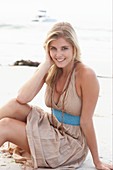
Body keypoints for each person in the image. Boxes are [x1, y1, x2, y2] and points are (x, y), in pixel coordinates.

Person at [0, 22, 112, 170]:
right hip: (51, 125)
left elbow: (86, 121)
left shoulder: (86, 75)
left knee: (5, 126)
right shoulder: (51, 67)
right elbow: (22, 98)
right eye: (53, 48)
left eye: (64, 48)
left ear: (74, 48)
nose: (58, 55)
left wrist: (97, 161)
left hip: (70, 142)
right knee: (13, 105)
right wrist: (46, 63)